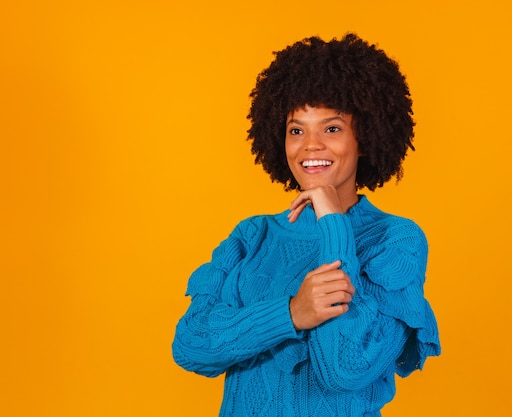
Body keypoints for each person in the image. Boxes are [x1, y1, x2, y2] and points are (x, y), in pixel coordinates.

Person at [172, 33, 441, 416]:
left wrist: (334, 223)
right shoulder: (253, 235)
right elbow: (192, 346)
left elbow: (345, 368)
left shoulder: (395, 239)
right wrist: (293, 313)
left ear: (363, 138)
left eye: (331, 128)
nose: (310, 145)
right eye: (296, 130)